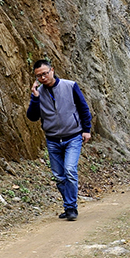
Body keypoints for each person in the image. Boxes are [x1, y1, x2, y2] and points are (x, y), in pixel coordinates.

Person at [26, 59, 92, 221]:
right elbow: (32, 117)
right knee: (59, 175)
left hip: (73, 136)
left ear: (52, 70)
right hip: (53, 139)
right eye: (38, 76)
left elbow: (83, 107)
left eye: (45, 73)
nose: (42, 78)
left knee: (69, 170)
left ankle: (71, 208)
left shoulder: (70, 86)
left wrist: (86, 130)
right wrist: (35, 97)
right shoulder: (39, 93)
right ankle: (69, 206)